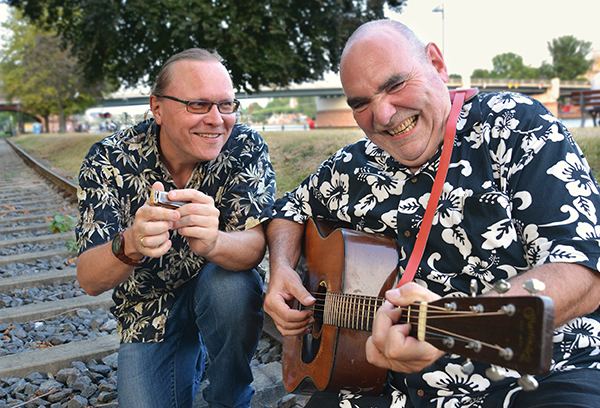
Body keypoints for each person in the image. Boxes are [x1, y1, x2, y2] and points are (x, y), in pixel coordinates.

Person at [264, 19, 600, 408]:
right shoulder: (351, 167)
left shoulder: (515, 126)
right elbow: (288, 209)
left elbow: (582, 267)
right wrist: (282, 272)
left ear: (437, 64)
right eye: (360, 103)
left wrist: (458, 330)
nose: (384, 114)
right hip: (384, 389)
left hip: (536, 379)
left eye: (394, 85)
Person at [75, 48, 276, 408]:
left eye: (226, 105)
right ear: (157, 108)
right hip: (147, 307)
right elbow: (90, 279)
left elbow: (255, 246)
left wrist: (214, 243)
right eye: (198, 105)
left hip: (218, 288)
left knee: (232, 287)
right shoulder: (109, 159)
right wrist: (131, 244)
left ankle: (229, 397)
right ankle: (188, 355)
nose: (217, 119)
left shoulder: (245, 146)